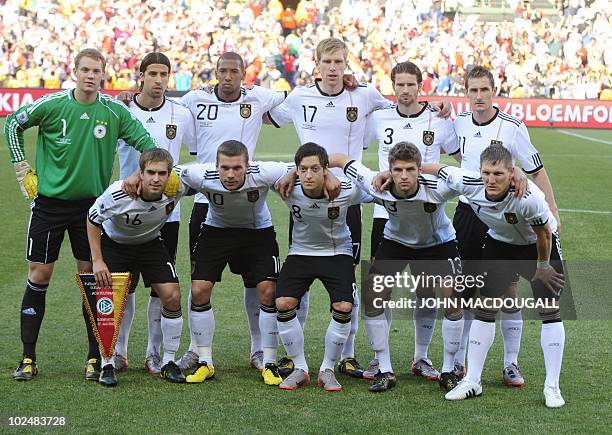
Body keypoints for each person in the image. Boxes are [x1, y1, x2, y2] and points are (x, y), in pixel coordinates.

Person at [270, 38, 453, 379]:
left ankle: (349, 354)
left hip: (349, 196)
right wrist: (295, 170)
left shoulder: (366, 95)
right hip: (307, 195)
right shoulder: (299, 96)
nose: (334, 67)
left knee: (349, 277)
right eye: (327, 61)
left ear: (347, 63)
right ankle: (292, 356)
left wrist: (438, 108)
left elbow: (404, 109)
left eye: (339, 61)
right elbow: (266, 116)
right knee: (299, 272)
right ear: (317, 62)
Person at [6, 48, 157, 382]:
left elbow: (147, 142)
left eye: (96, 71)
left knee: (92, 279)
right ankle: (28, 357)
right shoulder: (51, 105)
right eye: (85, 70)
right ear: (74, 71)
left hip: (91, 209)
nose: (91, 75)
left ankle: (94, 358)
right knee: (39, 275)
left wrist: (142, 173)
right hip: (48, 205)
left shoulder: (114, 112)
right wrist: (21, 167)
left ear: (103, 74)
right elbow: (12, 125)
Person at [423, 145, 566, 408]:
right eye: (486, 172)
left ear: (512, 173)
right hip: (500, 244)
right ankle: (473, 381)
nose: (491, 179)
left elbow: (545, 233)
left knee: (550, 311)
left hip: (538, 247)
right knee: (485, 308)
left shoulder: (528, 196)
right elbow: (440, 169)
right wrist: (394, 172)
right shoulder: (469, 183)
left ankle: (552, 387)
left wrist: (543, 266)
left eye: (498, 173)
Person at [452, 66, 560, 386]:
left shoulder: (513, 127)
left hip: (505, 213)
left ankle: (510, 363)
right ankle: (462, 363)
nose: (480, 97)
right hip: (470, 212)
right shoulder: (458, 122)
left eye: (485, 90)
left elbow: (536, 170)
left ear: (493, 91)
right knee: (469, 289)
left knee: (508, 291)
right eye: (474, 91)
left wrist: (552, 209)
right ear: (466, 92)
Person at [329, 142, 465, 393]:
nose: (404, 176)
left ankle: (448, 370)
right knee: (373, 295)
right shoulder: (377, 184)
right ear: (389, 170)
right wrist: (317, 171)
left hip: (438, 244)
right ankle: (385, 369)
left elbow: (467, 178)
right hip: (396, 242)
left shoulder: (438, 188)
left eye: (411, 169)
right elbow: (339, 158)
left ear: (419, 169)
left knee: (453, 298)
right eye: (398, 170)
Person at [362, 61, 460, 382]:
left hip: (429, 212)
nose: (405, 90)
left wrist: (450, 110)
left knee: (427, 290)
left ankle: (422, 356)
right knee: (380, 289)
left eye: (410, 84)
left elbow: (460, 157)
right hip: (387, 214)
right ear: (393, 86)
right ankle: (381, 360)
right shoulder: (379, 117)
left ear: (420, 86)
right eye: (399, 84)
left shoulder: (439, 118)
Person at [175, 140, 292, 386]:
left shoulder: (263, 172)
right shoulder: (202, 174)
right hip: (216, 231)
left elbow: (298, 167)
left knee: (268, 291)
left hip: (257, 232)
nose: (230, 174)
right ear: (215, 166)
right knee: (199, 289)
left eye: (237, 168)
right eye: (224, 168)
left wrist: (294, 174)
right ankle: (205, 360)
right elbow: (173, 171)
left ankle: (267, 360)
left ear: (247, 166)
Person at [115, 52, 196, 376]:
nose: (160, 80)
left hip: (166, 215)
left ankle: (153, 352)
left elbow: (197, 151)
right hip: (124, 212)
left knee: (159, 286)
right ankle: (118, 351)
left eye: (165, 74)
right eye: (153, 74)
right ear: (141, 76)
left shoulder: (181, 113)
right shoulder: (122, 109)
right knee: (126, 284)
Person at [87, 148, 190, 387]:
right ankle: (108, 364)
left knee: (172, 296)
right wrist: (97, 260)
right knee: (108, 303)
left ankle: (167, 361)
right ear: (140, 174)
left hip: (150, 244)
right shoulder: (118, 193)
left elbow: (203, 174)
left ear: (169, 174)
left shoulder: (177, 188)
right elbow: (92, 219)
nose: (156, 178)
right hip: (116, 245)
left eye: (162, 173)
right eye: (150, 172)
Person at [275, 143, 372, 391]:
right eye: (303, 169)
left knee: (344, 306)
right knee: (283, 303)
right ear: (296, 171)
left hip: (336, 252)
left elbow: (373, 187)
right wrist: (289, 173)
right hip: (300, 253)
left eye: (315, 169)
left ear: (325, 169)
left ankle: (328, 369)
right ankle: (300, 368)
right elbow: (256, 172)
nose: (309, 175)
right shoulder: (287, 187)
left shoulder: (345, 190)